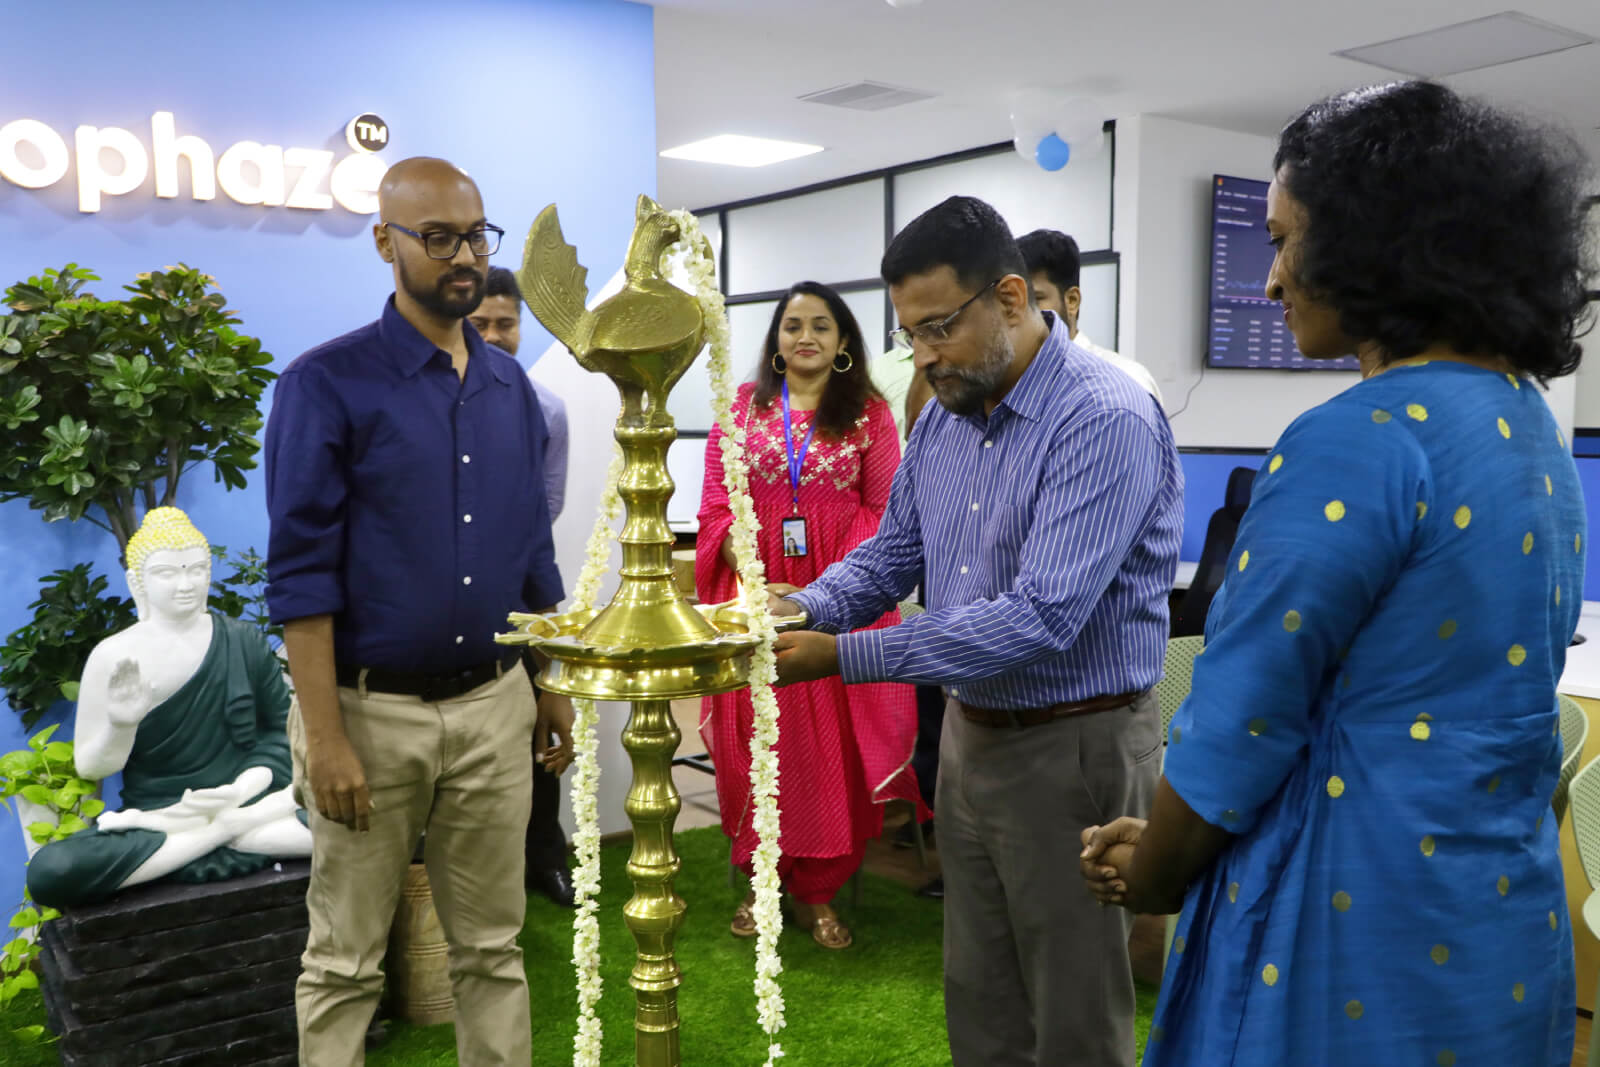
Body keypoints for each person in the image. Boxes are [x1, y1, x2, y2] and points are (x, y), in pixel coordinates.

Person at [1078, 81, 1591, 1067]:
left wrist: (1153, 870)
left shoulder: (1355, 439)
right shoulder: (1528, 421)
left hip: (1346, 923)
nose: (1269, 280)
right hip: (1494, 925)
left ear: (1370, 242)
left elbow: (1241, 715)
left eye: (1281, 239)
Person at [772, 197, 1183, 1066]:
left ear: (1006, 298)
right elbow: (891, 556)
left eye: (936, 330)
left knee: (1073, 1006)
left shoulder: (1103, 416)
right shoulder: (947, 416)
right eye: (908, 334)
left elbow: (1042, 618)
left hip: (1076, 746)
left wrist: (843, 655)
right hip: (971, 740)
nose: (922, 356)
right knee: (980, 995)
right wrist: (803, 605)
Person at [265, 156, 571, 1067]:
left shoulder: (515, 391)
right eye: (436, 237)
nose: (462, 255)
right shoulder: (327, 384)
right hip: (367, 715)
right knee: (346, 959)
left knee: (492, 950)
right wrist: (325, 739)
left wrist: (546, 680)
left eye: (475, 235)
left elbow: (532, 554)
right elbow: (301, 577)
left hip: (492, 704)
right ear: (385, 242)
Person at [697, 280, 925, 951]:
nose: (805, 337)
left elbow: (887, 516)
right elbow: (715, 506)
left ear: (844, 341)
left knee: (828, 756)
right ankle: (760, 880)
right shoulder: (740, 410)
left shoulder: (870, 416)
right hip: (755, 604)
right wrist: (754, 575)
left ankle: (818, 891)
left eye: (821, 326)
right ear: (775, 339)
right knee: (754, 749)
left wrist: (824, 588)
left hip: (834, 616)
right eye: (792, 325)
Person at [28, 507, 311, 909]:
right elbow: (92, 766)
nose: (185, 584)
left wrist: (241, 790)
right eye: (167, 573)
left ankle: (222, 831)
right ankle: (217, 836)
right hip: (160, 815)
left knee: (376, 827)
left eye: (196, 569)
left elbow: (281, 733)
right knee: (52, 872)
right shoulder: (115, 656)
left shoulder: (242, 641)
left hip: (248, 802)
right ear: (137, 581)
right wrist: (121, 725)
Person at [467, 265, 577, 908]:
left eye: (505, 323)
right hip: (449, 602)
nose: (494, 334)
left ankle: (546, 857)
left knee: (542, 721)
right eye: (480, 323)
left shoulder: (548, 410)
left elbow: (548, 505)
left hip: (520, 590)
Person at [1016, 228, 1162, 404]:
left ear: (1072, 301)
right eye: (1012, 300)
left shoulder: (1126, 381)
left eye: (1035, 299)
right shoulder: (1016, 385)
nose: (1020, 312)